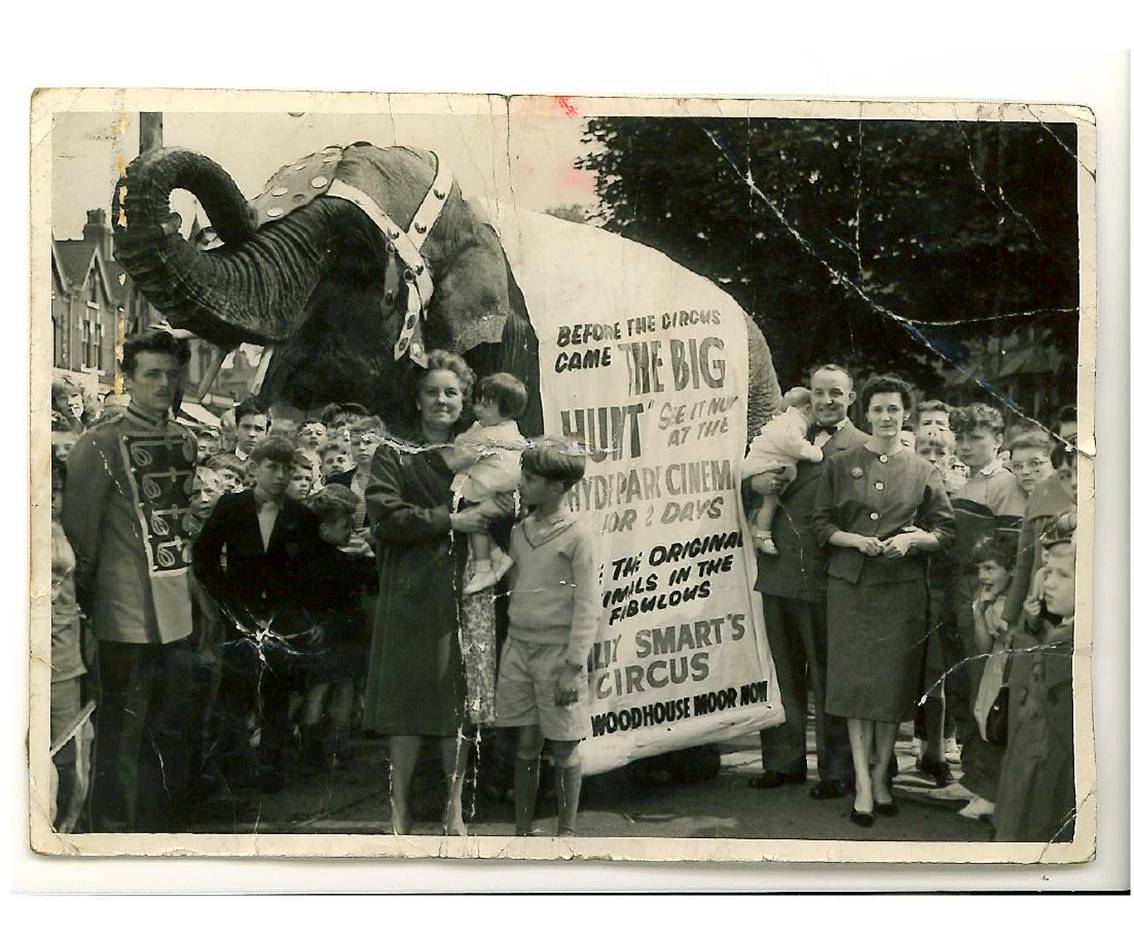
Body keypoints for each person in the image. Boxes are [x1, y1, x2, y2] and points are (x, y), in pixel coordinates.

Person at [363, 350, 509, 835]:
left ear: (465, 400)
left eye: (452, 392)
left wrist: (493, 511)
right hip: (409, 587)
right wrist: (450, 520)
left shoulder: (480, 450)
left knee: (456, 703)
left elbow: (509, 500)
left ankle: (453, 809)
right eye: (432, 391)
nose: (441, 400)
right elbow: (385, 516)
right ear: (417, 399)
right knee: (404, 705)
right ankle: (398, 810)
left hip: (465, 586)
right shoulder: (394, 453)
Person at [61, 329, 198, 831]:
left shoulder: (186, 440)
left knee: (168, 730)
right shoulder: (98, 442)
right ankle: (113, 834)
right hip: (123, 612)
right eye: (152, 374)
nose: (163, 384)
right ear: (129, 379)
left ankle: (157, 830)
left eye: (170, 374)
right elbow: (80, 534)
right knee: (121, 732)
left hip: (178, 612)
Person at [812, 374, 954, 827]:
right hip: (851, 589)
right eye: (878, 409)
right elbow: (821, 525)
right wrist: (854, 540)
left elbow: (945, 531)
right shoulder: (840, 464)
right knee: (856, 689)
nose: (887, 417)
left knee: (891, 689)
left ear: (905, 414)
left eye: (894, 409)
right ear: (866, 413)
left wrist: (913, 541)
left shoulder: (923, 469)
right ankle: (862, 783)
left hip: (900, 592)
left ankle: (880, 778)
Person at [746, 363, 865, 799]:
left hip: (825, 576)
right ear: (808, 396)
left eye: (836, 392)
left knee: (828, 676)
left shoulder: (862, 446)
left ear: (851, 397)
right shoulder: (786, 433)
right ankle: (783, 762)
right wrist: (756, 482)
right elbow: (748, 485)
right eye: (819, 392)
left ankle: (837, 770)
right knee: (782, 672)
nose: (827, 400)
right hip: (778, 571)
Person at [192, 436, 320, 791]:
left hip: (280, 617)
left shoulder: (302, 517)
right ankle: (232, 768)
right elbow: (204, 557)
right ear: (254, 468)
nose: (280, 476)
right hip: (239, 614)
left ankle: (271, 769)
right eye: (272, 467)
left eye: (287, 469)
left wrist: (293, 612)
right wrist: (227, 601)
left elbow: (311, 571)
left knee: (277, 692)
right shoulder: (231, 507)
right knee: (235, 690)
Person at [497, 438, 597, 837]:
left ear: (557, 487)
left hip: (559, 656)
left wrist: (573, 667)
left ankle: (565, 834)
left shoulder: (578, 536)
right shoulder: (520, 531)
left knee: (564, 746)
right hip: (519, 648)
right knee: (526, 745)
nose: (521, 484)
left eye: (531, 479)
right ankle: (523, 833)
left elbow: (588, 604)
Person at [940, 403, 1026, 811]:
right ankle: (970, 775)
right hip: (954, 588)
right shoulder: (961, 480)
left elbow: (1010, 549)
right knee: (960, 683)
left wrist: (993, 603)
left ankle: (989, 787)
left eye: (976, 438)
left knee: (985, 688)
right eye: (960, 438)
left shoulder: (1004, 483)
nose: (966, 445)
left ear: (998, 441)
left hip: (983, 591)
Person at [995, 528, 1077, 842]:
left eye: (1063, 575)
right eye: (1048, 572)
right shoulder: (1061, 633)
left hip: (1045, 768)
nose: (1049, 583)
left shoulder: (1067, 642)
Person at [286, 485, 374, 770]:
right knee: (335, 687)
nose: (351, 532)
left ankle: (316, 749)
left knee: (322, 689)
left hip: (324, 632)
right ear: (324, 529)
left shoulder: (303, 557)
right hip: (339, 633)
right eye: (345, 526)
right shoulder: (337, 561)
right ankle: (333, 747)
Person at [447, 372, 529, 593]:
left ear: (506, 411)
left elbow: (461, 458)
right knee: (477, 521)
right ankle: (498, 556)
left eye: (486, 405)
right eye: (477, 402)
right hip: (501, 493)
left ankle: (484, 568)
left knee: (474, 519)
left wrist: (455, 453)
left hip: (496, 492)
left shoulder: (490, 435)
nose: (478, 409)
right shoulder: (505, 429)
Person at [964, 535, 1016, 821]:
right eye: (979, 569)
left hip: (1011, 671)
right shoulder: (986, 599)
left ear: (1011, 569)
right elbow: (983, 647)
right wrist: (980, 612)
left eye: (990, 568)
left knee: (1002, 726)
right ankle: (987, 790)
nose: (983, 576)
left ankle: (994, 795)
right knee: (988, 722)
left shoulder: (1016, 601)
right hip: (994, 667)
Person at [740, 386, 824, 556]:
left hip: (767, 462)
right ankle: (762, 534)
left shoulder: (787, 420)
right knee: (770, 499)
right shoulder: (796, 421)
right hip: (765, 463)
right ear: (808, 409)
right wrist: (813, 452)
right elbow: (792, 443)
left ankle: (757, 530)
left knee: (768, 499)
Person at [50, 455, 87, 831]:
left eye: (57, 491)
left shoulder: (65, 531)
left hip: (61, 658)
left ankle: (63, 831)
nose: (49, 498)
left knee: (65, 753)